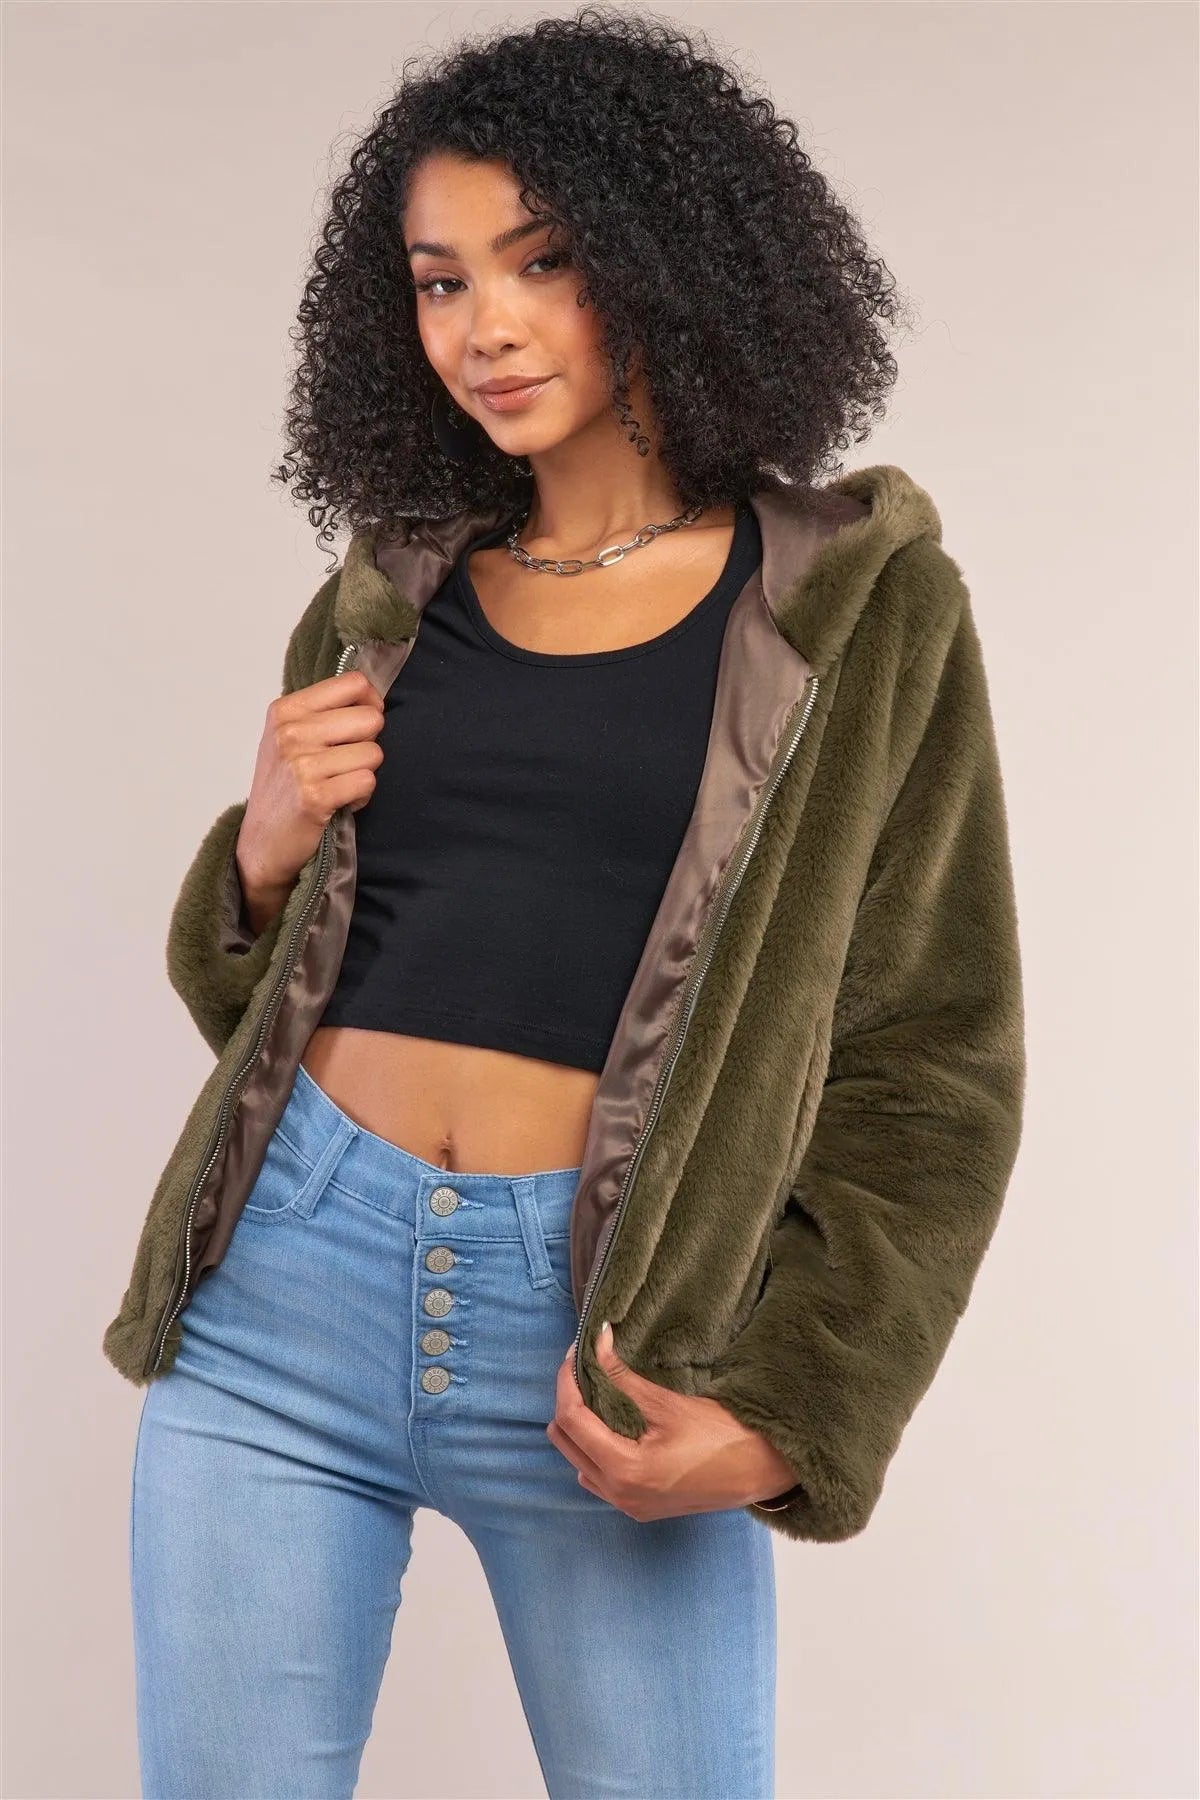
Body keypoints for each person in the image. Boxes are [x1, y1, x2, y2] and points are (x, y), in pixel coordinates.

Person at [102, 8, 1026, 1797]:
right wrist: (261, 857)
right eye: (440, 282)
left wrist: (791, 1413)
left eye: (542, 262)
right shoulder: (389, 593)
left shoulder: (855, 610)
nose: (487, 327)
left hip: (604, 1334)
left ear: (669, 261)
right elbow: (273, 1010)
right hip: (282, 1295)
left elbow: (935, 1062)